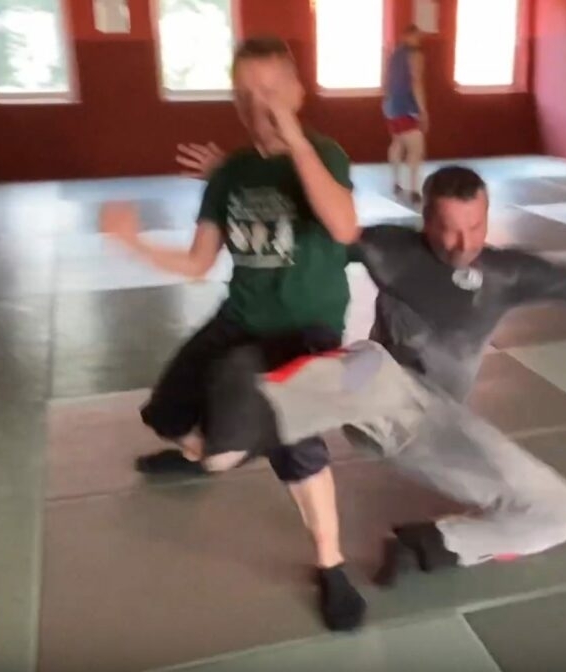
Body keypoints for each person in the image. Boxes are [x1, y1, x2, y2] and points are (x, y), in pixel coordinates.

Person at [174, 157, 566, 591]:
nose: (464, 242)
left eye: (475, 226)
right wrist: (241, 187)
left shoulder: (506, 274)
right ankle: (254, 411)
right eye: (448, 229)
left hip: (433, 430)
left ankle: (431, 546)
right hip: (371, 396)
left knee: (562, 513)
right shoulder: (389, 249)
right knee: (370, 362)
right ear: (424, 219)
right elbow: (314, 235)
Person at [100, 37, 366, 632]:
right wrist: (132, 243)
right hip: (238, 320)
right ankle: (206, 454)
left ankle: (331, 565)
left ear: (297, 93)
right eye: (244, 93)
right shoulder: (232, 174)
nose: (258, 104)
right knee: (168, 410)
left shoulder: (325, 154)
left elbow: (344, 227)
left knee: (294, 441)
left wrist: (293, 140)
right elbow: (199, 263)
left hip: (306, 332)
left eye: (271, 90)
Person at [383, 24, 428, 205]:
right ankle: (415, 190)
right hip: (406, 107)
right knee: (416, 149)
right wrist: (423, 111)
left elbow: (386, 80)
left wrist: (387, 102)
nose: (419, 40)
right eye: (417, 36)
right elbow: (416, 82)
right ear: (408, 36)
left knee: (397, 143)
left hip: (391, 106)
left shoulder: (394, 54)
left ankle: (396, 182)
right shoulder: (415, 55)